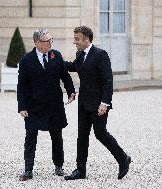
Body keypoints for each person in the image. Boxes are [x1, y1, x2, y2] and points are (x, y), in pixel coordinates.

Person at [64, 26, 131, 180]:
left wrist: (105, 103)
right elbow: (74, 66)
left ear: (87, 39)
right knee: (82, 137)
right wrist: (56, 60)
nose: (75, 42)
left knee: (100, 134)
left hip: (98, 104)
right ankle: (80, 171)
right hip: (84, 103)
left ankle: (123, 158)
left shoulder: (100, 55)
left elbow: (108, 81)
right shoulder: (80, 54)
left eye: (77, 39)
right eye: (75, 38)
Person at [17, 29, 76, 181]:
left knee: (57, 136)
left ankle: (58, 165)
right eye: (46, 41)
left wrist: (71, 91)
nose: (50, 43)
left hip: (54, 104)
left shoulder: (56, 55)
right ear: (37, 43)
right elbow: (21, 86)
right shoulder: (26, 60)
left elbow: (65, 76)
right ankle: (28, 170)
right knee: (31, 137)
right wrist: (22, 107)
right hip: (33, 105)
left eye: (51, 40)